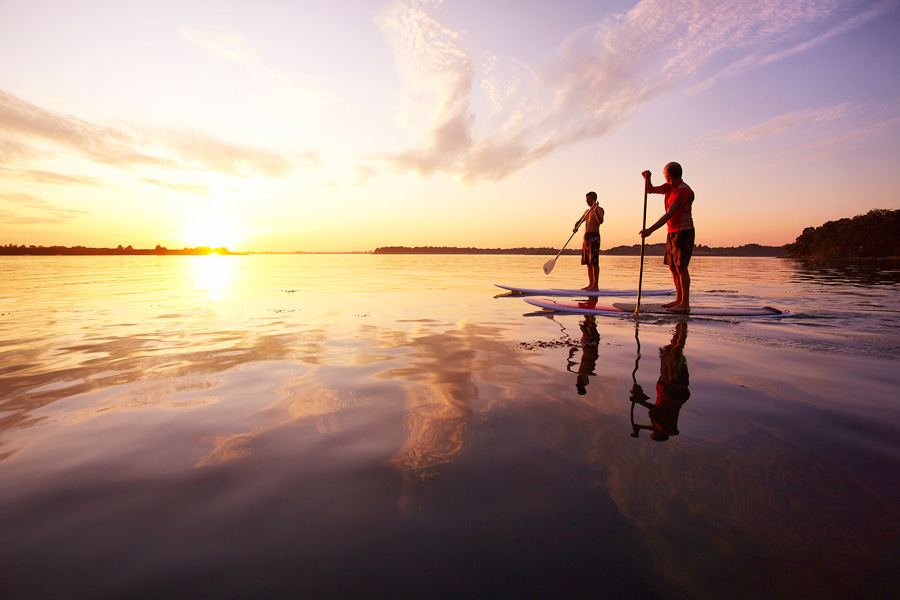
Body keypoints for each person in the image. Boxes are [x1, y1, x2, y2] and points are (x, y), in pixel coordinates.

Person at [639, 163, 694, 313]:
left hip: (683, 231)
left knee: (681, 267)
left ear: (669, 175)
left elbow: (670, 213)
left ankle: (685, 303)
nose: (663, 175)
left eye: (664, 173)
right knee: (673, 266)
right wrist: (647, 179)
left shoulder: (683, 190)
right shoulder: (669, 187)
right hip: (672, 232)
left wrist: (650, 230)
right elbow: (649, 190)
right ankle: (678, 299)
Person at [574, 191, 604, 291]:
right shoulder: (586, 211)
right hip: (586, 237)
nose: (586, 201)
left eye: (588, 199)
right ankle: (590, 284)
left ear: (593, 199)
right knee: (588, 262)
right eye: (586, 199)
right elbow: (579, 221)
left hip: (594, 236)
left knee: (594, 262)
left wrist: (595, 210)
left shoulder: (599, 210)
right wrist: (575, 227)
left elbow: (600, 221)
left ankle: (595, 285)